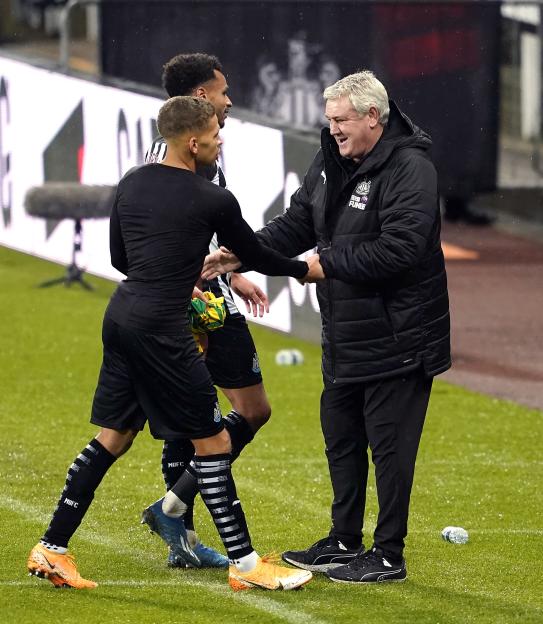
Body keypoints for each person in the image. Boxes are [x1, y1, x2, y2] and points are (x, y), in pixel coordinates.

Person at [26, 96, 313, 592]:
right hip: (163, 330)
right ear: (194, 141)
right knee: (215, 441)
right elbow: (255, 253)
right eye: (216, 136)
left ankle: (51, 548)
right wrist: (303, 270)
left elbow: (121, 257)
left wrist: (172, 278)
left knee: (112, 438)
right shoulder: (212, 198)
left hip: (122, 317)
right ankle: (247, 566)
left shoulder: (132, 182)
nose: (221, 142)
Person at [203, 71, 451, 584]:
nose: (333, 129)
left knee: (390, 449)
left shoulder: (411, 167)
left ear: (372, 118)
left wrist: (322, 264)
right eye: (330, 120)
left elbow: (400, 249)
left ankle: (388, 554)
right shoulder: (331, 159)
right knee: (340, 438)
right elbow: (298, 222)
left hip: (400, 337)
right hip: (345, 333)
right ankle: (343, 539)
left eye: (341, 120)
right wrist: (243, 253)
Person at [143, 53, 276, 569]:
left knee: (191, 417)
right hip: (196, 301)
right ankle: (176, 520)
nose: (229, 99)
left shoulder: (188, 148)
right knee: (245, 411)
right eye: (222, 91)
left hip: (200, 289)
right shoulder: (180, 154)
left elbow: (200, 222)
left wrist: (231, 269)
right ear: (202, 97)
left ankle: (175, 518)